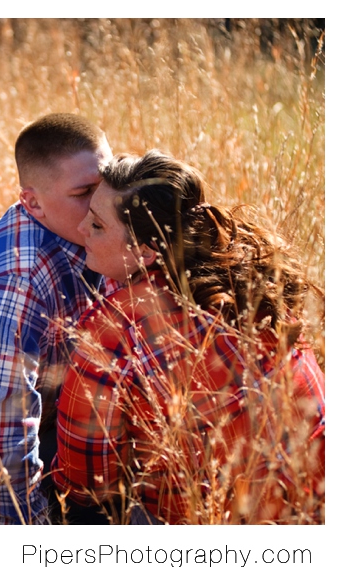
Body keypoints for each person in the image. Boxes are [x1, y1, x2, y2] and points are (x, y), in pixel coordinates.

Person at [53, 150, 325, 524]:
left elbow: (86, 485)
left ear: (145, 251)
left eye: (97, 225)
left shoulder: (116, 327)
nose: (80, 228)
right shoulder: (250, 278)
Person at [0, 113, 112, 524]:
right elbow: (0, 431)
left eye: (106, 183)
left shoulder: (80, 227)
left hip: (55, 405)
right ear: (32, 202)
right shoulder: (19, 280)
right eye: (84, 192)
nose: (101, 202)